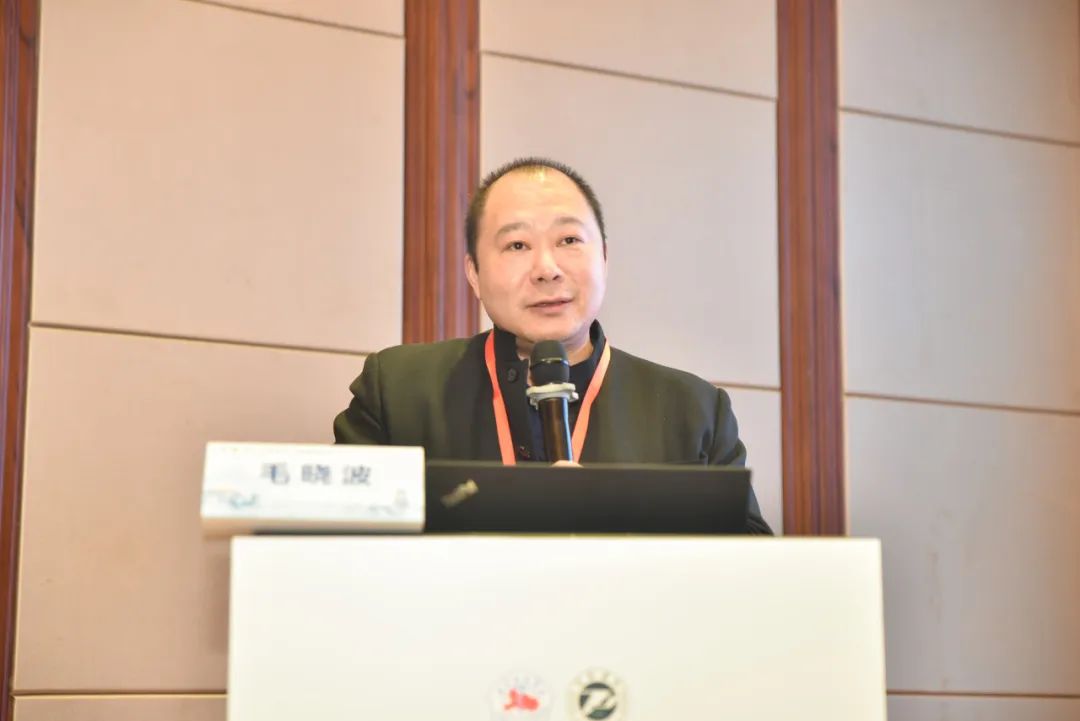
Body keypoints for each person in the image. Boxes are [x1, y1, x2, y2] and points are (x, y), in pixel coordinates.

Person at [334, 157, 772, 534]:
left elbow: (753, 569)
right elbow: (334, 544)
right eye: (517, 244)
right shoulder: (398, 391)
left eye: (569, 240)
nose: (547, 268)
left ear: (604, 258)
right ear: (474, 273)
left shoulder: (694, 411)